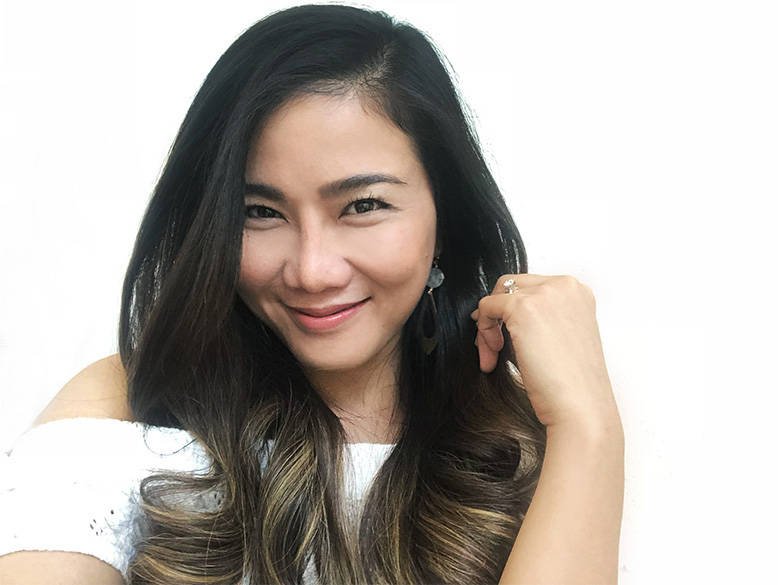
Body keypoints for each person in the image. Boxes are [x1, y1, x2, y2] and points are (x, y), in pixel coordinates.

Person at [0, 4, 624, 584]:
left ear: (446, 217)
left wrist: (588, 425)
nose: (312, 271)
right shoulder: (132, 407)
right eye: (260, 212)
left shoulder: (528, 438)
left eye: (364, 205)